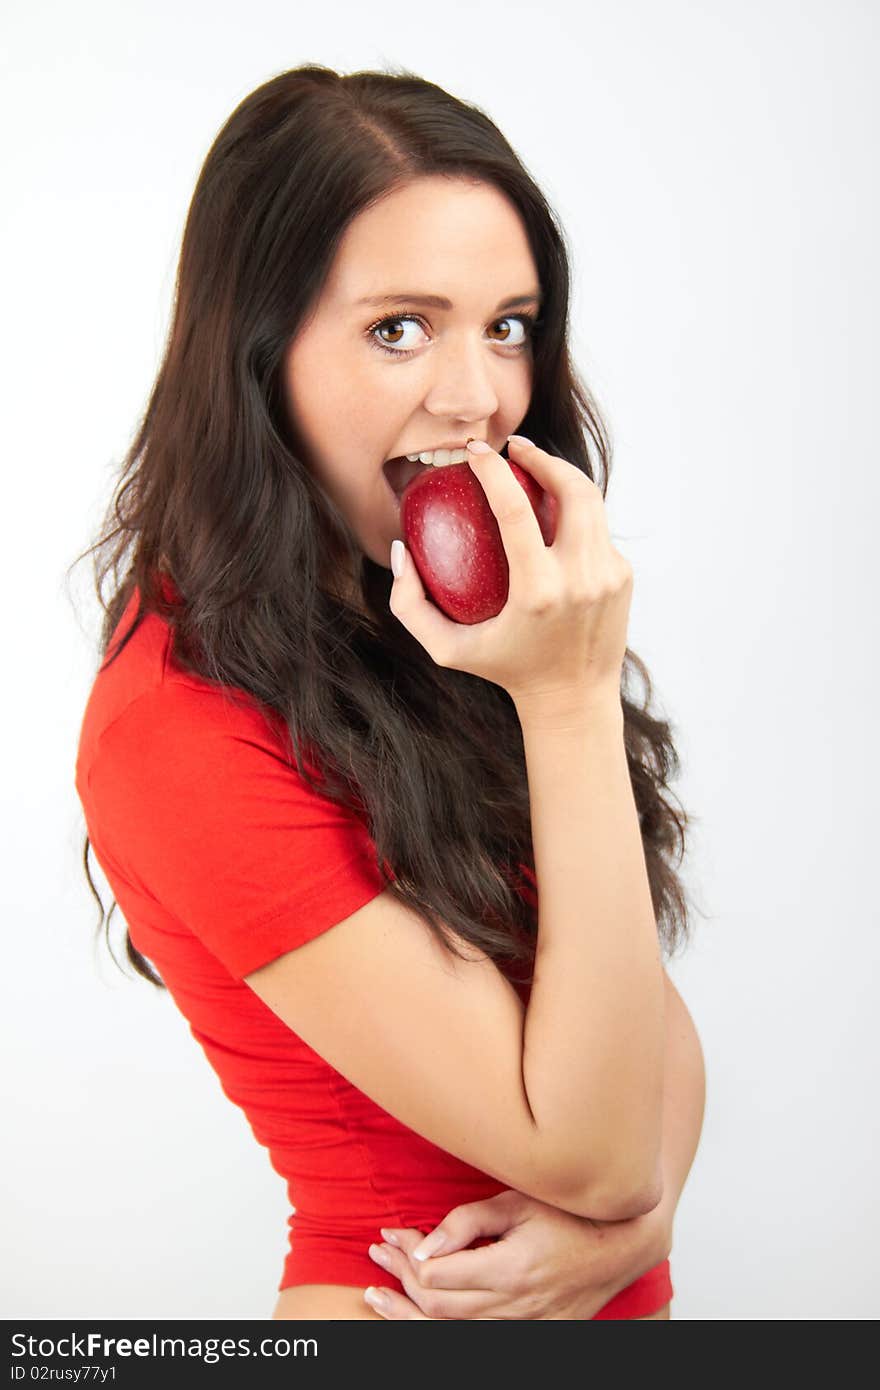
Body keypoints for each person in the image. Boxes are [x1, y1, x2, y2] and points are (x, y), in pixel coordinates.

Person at [73, 64, 705, 1321]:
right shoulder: (176, 725)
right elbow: (595, 1142)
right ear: (257, 351)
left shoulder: (432, 626)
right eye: (398, 328)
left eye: (508, 325)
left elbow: (650, 1047)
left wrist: (638, 1221)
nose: (476, 397)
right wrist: (567, 702)